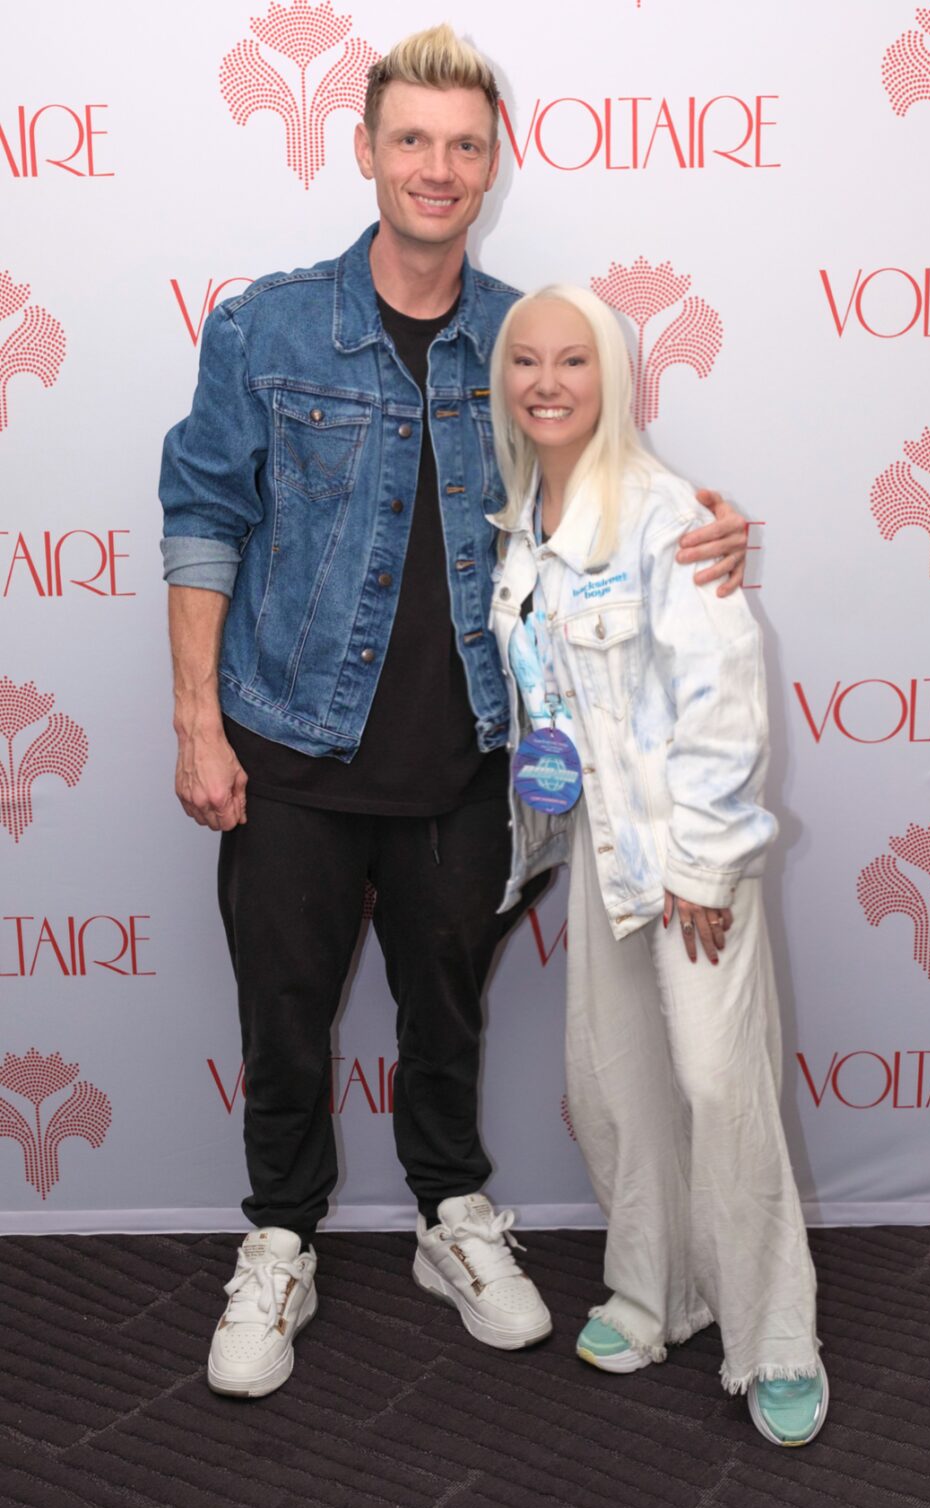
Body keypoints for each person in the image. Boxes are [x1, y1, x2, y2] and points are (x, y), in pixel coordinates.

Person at [158, 25, 749, 1401]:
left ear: (494, 164)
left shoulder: (520, 335)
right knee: (285, 1010)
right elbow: (204, 516)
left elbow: (606, 482)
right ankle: (280, 1235)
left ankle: (452, 1218)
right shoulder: (266, 323)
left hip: (472, 753)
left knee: (449, 1009)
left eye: (463, 144)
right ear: (364, 151)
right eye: (410, 140)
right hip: (289, 742)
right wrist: (197, 719)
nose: (437, 166)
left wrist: (701, 517)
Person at [487, 284, 828, 1446]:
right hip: (600, 846)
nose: (546, 382)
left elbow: (723, 696)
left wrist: (704, 856)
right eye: (525, 362)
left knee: (721, 1088)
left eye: (571, 361)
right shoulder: (525, 509)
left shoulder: (665, 510)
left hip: (690, 850)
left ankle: (775, 1333)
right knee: (617, 1081)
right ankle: (654, 1292)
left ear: (614, 376)